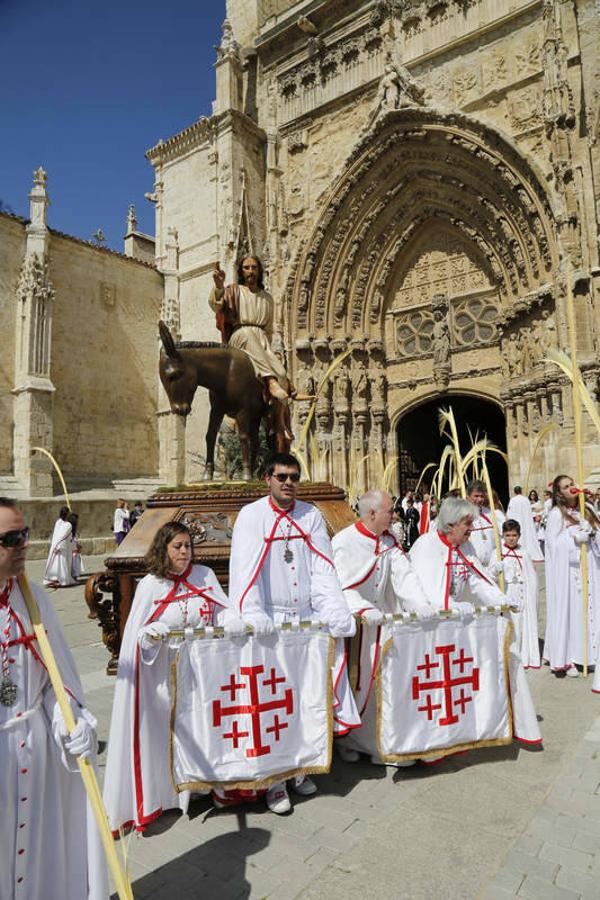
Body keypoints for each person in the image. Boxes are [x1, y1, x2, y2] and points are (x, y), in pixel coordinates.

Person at [231, 452, 359, 814]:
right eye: (282, 476)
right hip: (269, 625)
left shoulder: (310, 515)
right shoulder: (251, 516)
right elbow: (244, 570)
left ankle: (300, 769)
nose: (289, 482)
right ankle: (274, 781)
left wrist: (334, 609)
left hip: (305, 622)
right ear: (266, 479)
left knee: (306, 701)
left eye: (294, 477)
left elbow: (322, 567)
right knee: (273, 703)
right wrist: (253, 613)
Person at [103, 521, 243, 833]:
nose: (184, 552)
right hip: (164, 675)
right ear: (163, 550)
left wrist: (231, 617)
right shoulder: (151, 586)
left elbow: (221, 609)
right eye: (177, 547)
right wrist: (148, 636)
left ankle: (207, 786)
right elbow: (136, 638)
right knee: (169, 734)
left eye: (188, 546)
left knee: (206, 728)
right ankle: (169, 793)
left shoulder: (204, 575)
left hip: (203, 672)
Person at [0, 497, 107, 899]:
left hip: (35, 755)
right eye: (12, 538)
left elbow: (53, 683)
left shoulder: (32, 598)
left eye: (25, 535)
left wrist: (69, 720)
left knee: (36, 856)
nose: (24, 545)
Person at [332, 490, 434, 766]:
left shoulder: (388, 540)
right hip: (359, 626)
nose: (395, 514)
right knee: (360, 685)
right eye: (390, 510)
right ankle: (351, 740)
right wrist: (363, 609)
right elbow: (339, 585)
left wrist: (421, 605)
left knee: (388, 685)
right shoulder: (345, 542)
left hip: (386, 623)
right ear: (372, 513)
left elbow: (405, 576)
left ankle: (383, 742)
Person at [210, 257, 312, 441]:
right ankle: (271, 382)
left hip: (261, 340)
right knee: (249, 336)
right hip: (240, 336)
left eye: (254, 267)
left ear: (259, 271)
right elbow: (217, 306)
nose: (250, 271)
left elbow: (268, 330)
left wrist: (267, 348)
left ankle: (279, 421)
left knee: (281, 372)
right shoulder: (234, 291)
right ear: (241, 271)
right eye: (246, 267)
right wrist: (219, 286)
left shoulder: (267, 298)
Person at [410, 496, 511, 613]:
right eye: (468, 524)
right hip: (431, 621)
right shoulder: (427, 544)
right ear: (450, 526)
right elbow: (425, 590)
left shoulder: (466, 546)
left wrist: (500, 599)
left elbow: (476, 581)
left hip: (456, 619)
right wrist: (451, 605)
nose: (472, 528)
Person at [543, 474, 600, 676]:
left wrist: (592, 533)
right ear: (559, 493)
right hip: (569, 573)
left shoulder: (588, 510)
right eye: (566, 487)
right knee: (573, 613)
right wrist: (574, 539)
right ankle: (570, 657)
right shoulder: (557, 515)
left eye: (572, 484)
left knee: (590, 612)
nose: (572, 488)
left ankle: (590, 656)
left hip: (590, 569)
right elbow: (552, 547)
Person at [490, 519, 540, 669]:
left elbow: (531, 575)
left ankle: (525, 656)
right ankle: (510, 657)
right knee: (511, 625)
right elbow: (489, 576)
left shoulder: (523, 552)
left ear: (519, 535)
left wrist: (530, 592)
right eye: (508, 535)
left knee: (523, 625)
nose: (511, 538)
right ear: (502, 536)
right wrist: (495, 569)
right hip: (507, 592)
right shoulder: (498, 552)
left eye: (514, 535)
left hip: (522, 593)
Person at [466, 479, 505, 567]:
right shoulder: (462, 515)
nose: (480, 499)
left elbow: (500, 537)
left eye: (482, 496)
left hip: (491, 566)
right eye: (476, 496)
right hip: (472, 566)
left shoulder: (490, 514)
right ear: (468, 496)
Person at [506, 486, 543, 562]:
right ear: (521, 491)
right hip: (526, 523)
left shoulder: (513, 500)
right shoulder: (526, 499)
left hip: (516, 521)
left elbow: (509, 513)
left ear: (514, 492)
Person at [44, 504, 76, 587]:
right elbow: (61, 536)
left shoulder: (59, 522)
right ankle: (61, 579)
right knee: (61, 562)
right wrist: (57, 546)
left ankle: (57, 578)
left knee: (59, 562)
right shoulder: (67, 525)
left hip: (60, 545)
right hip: (62, 546)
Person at [68, 512, 85, 581]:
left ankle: (75, 576)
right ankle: (73, 576)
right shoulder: (69, 532)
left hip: (75, 551)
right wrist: (75, 547)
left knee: (76, 563)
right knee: (73, 564)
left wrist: (78, 546)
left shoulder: (74, 532)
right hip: (72, 551)